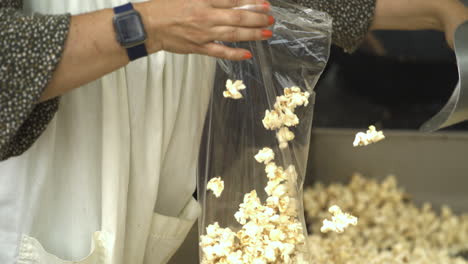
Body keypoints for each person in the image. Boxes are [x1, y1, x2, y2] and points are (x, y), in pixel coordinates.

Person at [0, 0, 467, 264]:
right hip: (37, 215)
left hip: (141, 218)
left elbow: (295, 3)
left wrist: (443, 12)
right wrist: (143, 27)